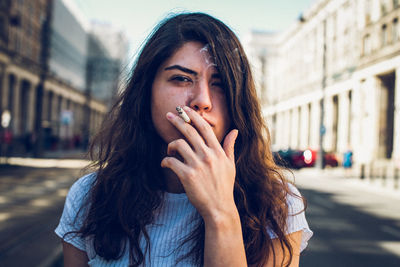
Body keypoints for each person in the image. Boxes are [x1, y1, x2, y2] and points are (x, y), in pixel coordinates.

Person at [55, 12, 312, 267]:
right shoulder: (89, 197)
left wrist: (221, 213)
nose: (202, 100)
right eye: (181, 79)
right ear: (147, 93)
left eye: (219, 83)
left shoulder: (278, 204)